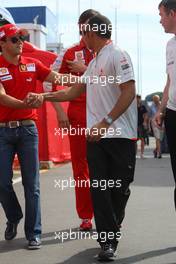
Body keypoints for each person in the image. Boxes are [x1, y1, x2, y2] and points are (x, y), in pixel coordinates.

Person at [26, 13, 137, 261]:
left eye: (84, 32)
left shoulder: (118, 55)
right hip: (95, 137)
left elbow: (129, 91)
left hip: (120, 136)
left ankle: (112, 226)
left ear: (93, 33)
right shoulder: (94, 61)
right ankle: (107, 241)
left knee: (119, 189)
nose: (81, 37)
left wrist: (105, 122)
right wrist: (43, 97)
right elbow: (74, 89)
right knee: (99, 188)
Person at [0, 23, 69, 249]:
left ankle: (34, 233)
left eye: (21, 37)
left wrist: (84, 74)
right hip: (3, 131)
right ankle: (14, 216)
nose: (20, 42)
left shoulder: (32, 64)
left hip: (28, 130)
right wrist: (26, 103)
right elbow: (1, 97)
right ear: (2, 43)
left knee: (33, 184)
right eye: (14, 39)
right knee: (2, 182)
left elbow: (58, 78)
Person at [51, 9, 100, 231]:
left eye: (95, 24)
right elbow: (47, 80)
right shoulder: (70, 52)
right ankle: (85, 216)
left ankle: (106, 213)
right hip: (79, 115)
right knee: (81, 169)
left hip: (105, 116)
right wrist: (60, 112)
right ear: (81, 26)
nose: (91, 28)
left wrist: (86, 70)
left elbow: (119, 82)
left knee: (104, 167)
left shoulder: (108, 50)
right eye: (88, 24)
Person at [156, 0, 176, 208]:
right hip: (173, 114)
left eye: (162, 15)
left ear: (172, 14)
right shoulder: (170, 45)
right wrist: (161, 109)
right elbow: (170, 81)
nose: (160, 20)